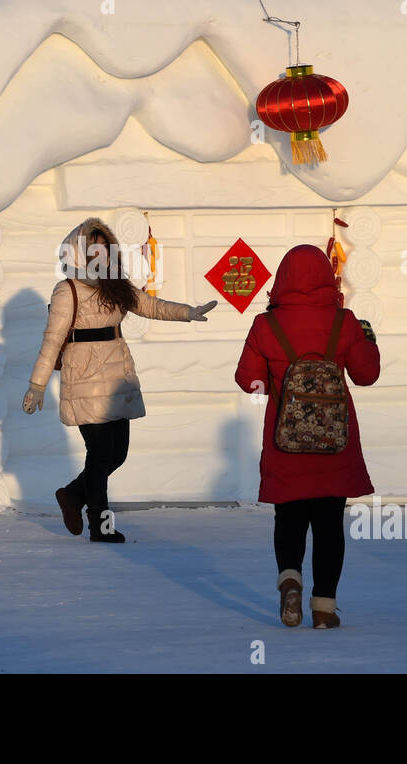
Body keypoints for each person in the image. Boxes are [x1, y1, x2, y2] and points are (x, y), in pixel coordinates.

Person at [23, 217, 218, 543]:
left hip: (116, 377)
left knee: (117, 454)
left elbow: (151, 306)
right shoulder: (67, 290)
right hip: (84, 378)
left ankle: (72, 495)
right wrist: (37, 385)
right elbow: (52, 340)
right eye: (93, 248)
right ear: (79, 252)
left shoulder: (116, 287)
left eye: (104, 248)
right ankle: (100, 525)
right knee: (99, 452)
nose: (100, 254)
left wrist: (188, 312)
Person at [234, 244, 380, 627]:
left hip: (287, 444)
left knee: (290, 518)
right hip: (335, 445)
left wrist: (279, 385)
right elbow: (366, 375)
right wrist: (368, 340)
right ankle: (324, 610)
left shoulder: (266, 326)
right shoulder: (344, 322)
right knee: (329, 526)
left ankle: (290, 580)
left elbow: (247, 381)